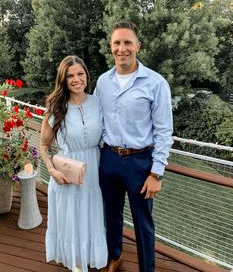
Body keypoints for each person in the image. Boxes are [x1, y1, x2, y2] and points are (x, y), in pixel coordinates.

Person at [95, 20, 173, 272]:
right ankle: (114, 256)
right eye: (117, 42)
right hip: (108, 159)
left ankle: (147, 269)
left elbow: (163, 132)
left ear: (137, 46)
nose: (122, 48)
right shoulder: (103, 82)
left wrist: (156, 173)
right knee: (111, 216)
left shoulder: (156, 83)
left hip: (141, 164)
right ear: (111, 46)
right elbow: (94, 118)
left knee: (143, 223)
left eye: (128, 42)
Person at [40, 55, 107, 272]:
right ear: (63, 80)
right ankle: (75, 261)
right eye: (70, 76)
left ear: (87, 75)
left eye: (80, 74)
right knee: (71, 218)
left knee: (90, 214)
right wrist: (51, 171)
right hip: (66, 173)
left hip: (93, 171)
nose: (76, 79)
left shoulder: (98, 103)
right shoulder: (56, 106)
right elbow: (43, 145)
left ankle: (88, 256)